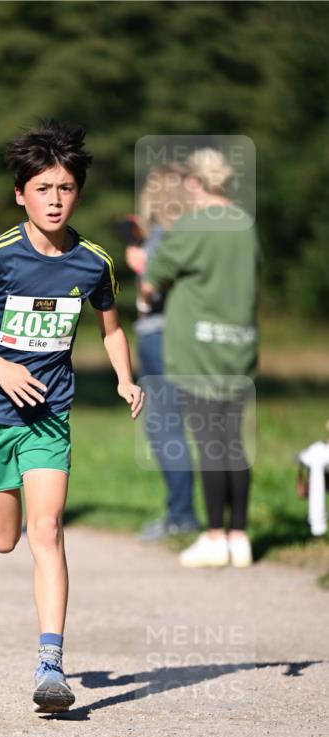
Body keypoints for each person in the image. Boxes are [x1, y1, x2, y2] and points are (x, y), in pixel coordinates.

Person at [0, 121, 144, 712]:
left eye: (66, 188)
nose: (55, 199)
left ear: (78, 192)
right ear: (21, 194)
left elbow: (110, 328)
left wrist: (126, 377)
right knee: (4, 540)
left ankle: (50, 663)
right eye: (43, 188)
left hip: (50, 412)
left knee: (47, 531)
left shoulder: (94, 262)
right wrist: (1, 369)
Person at [142, 148, 259, 568]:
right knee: (234, 444)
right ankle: (240, 535)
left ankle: (213, 536)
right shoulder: (245, 224)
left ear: (194, 182)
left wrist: (144, 295)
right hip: (239, 346)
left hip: (197, 350)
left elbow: (155, 278)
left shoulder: (192, 226)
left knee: (209, 443)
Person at [124, 164, 199, 541]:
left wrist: (142, 269)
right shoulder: (195, 232)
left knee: (165, 426)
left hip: (159, 334)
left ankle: (181, 514)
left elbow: (157, 287)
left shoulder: (166, 235)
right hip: (187, 337)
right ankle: (191, 513)